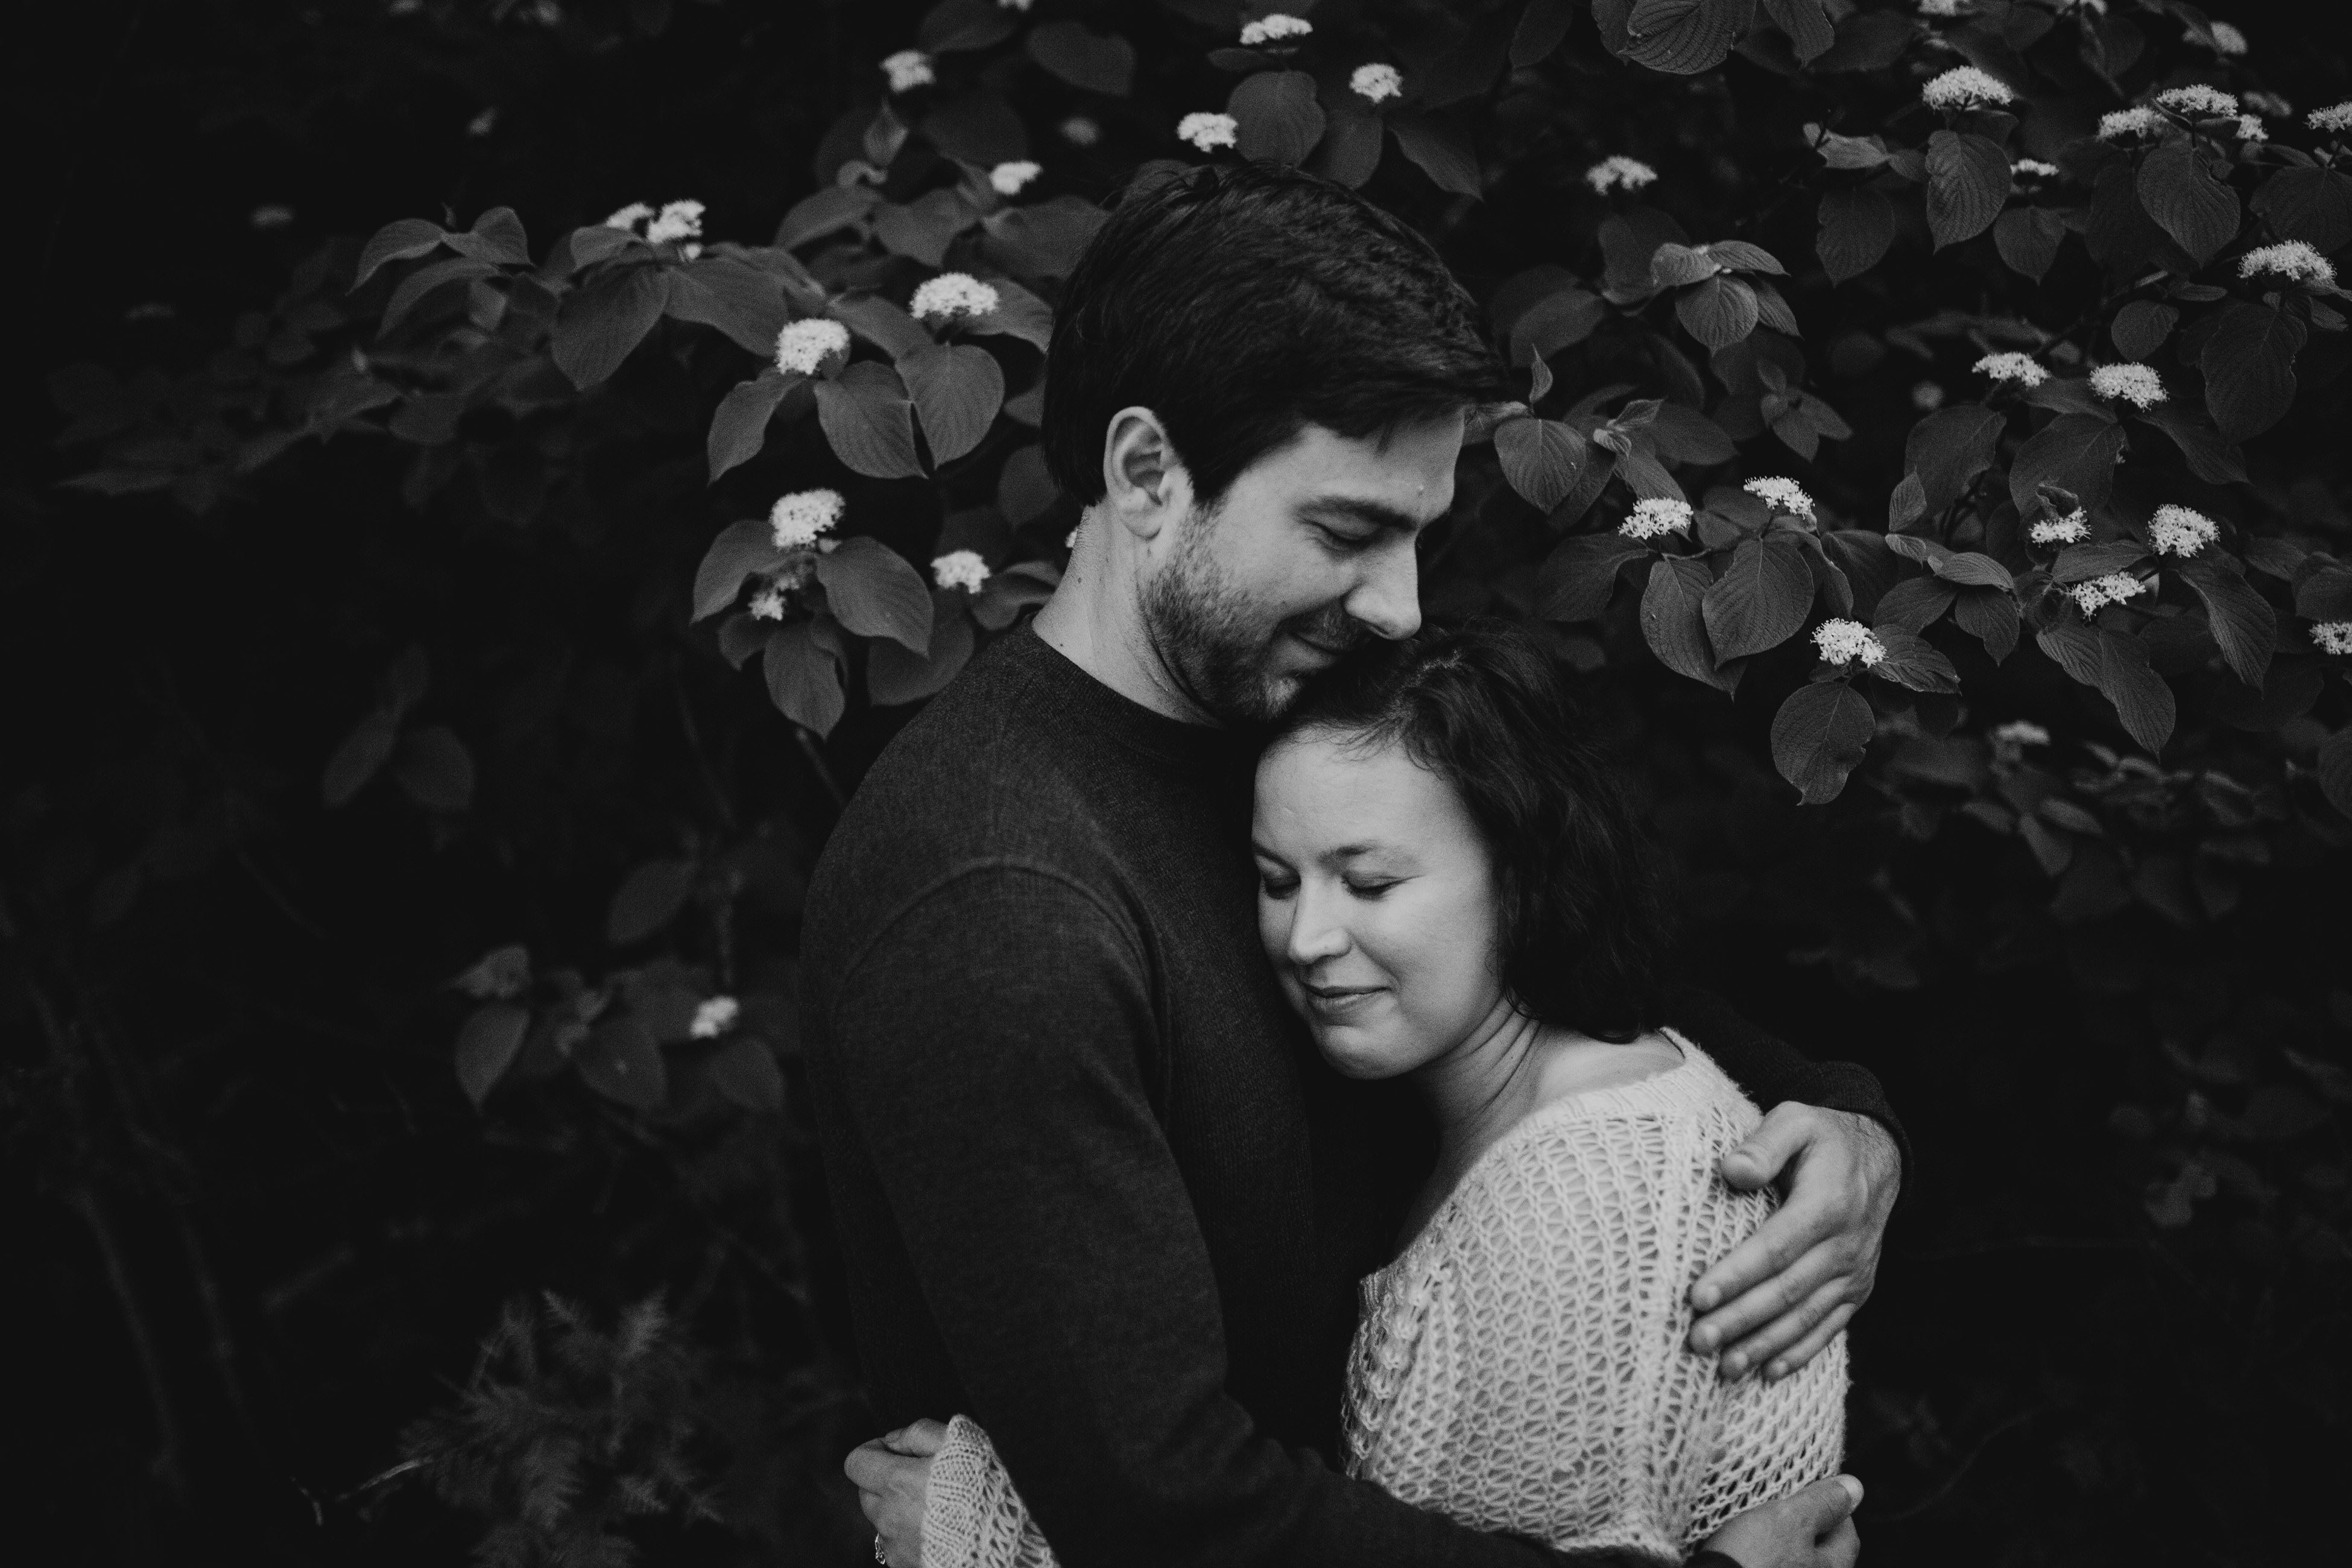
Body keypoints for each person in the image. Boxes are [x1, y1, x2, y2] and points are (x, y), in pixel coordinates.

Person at [801, 162, 1903, 1568]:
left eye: (1417, 535)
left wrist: (1838, 1117)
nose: (1399, 605)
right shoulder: (998, 899)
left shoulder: (1279, 709)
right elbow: (1169, 1510)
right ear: (1146, 474)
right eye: (1348, 531)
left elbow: (1549, 954)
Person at [871, 621, 1853, 1567]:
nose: (1307, 940)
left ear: (1522, 877)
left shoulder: (1591, 1200)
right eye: (1278, 881)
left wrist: (999, 1544)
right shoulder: (1471, 1111)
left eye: (1370, 883)